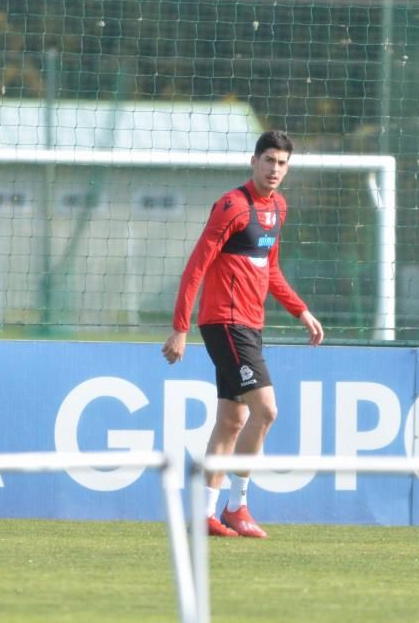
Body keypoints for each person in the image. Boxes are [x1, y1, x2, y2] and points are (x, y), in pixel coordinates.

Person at [161, 130, 324, 539]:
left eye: (282, 163)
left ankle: (205, 514)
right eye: (268, 160)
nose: (274, 169)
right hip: (226, 322)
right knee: (266, 411)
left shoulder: (278, 209)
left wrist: (300, 310)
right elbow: (196, 266)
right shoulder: (232, 207)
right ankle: (238, 506)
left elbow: (270, 270)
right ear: (253, 162)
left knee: (233, 420)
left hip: (250, 324)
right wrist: (180, 329)